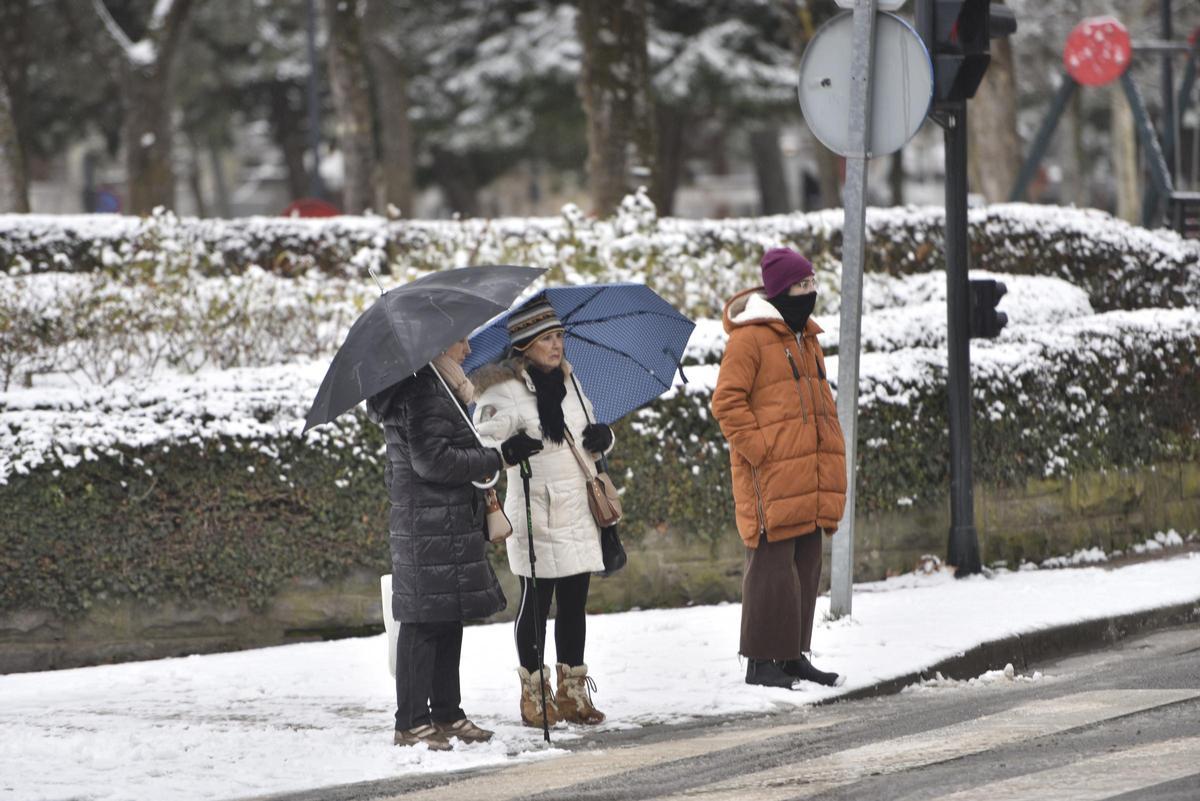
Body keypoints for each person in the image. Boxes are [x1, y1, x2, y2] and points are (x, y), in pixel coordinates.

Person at [369, 337, 544, 749]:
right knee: (422, 622)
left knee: (446, 616)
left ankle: (447, 713)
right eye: (460, 342)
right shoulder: (422, 391)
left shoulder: (438, 386)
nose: (468, 350)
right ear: (440, 345)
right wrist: (497, 458)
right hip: (429, 521)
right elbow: (432, 460)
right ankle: (410, 722)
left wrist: (492, 455)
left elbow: (446, 450)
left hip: (443, 519)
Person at [472, 296, 613, 727]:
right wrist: (507, 451)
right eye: (548, 338)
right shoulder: (503, 391)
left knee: (575, 604)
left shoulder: (571, 382)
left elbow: (587, 432)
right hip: (536, 509)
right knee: (536, 603)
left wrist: (603, 439)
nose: (557, 346)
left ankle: (573, 695)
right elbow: (479, 447)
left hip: (579, 507)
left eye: (559, 337)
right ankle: (535, 695)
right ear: (524, 345)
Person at [711, 248, 848, 690]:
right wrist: (759, 449)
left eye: (812, 284)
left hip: (807, 470)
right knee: (771, 566)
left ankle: (792, 655)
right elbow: (726, 402)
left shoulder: (805, 336)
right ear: (780, 290)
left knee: (806, 562)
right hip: (769, 472)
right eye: (802, 285)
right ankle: (761, 661)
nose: (810, 292)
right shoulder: (749, 339)